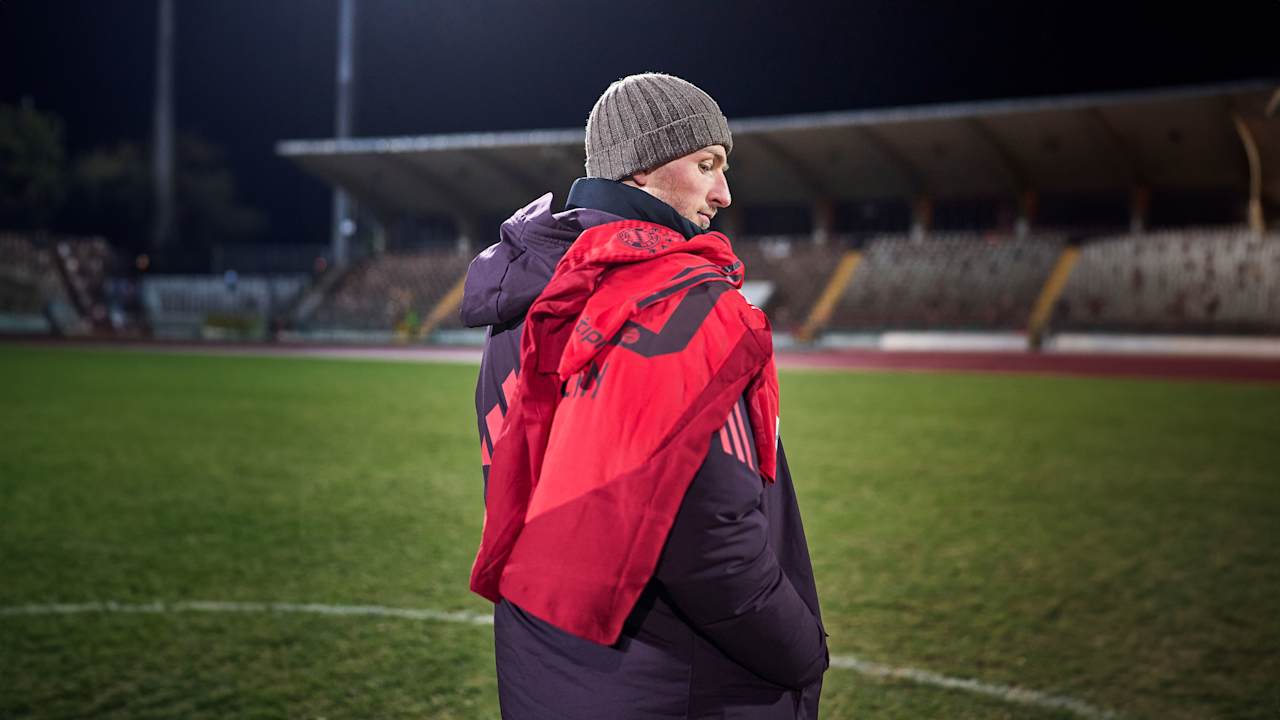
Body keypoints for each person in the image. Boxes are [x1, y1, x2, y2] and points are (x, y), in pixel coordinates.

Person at [461, 72, 827, 720]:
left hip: (544, 668)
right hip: (678, 683)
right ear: (640, 170)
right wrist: (802, 652)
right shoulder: (682, 307)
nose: (723, 192)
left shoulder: (518, 306)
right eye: (706, 164)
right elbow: (712, 542)